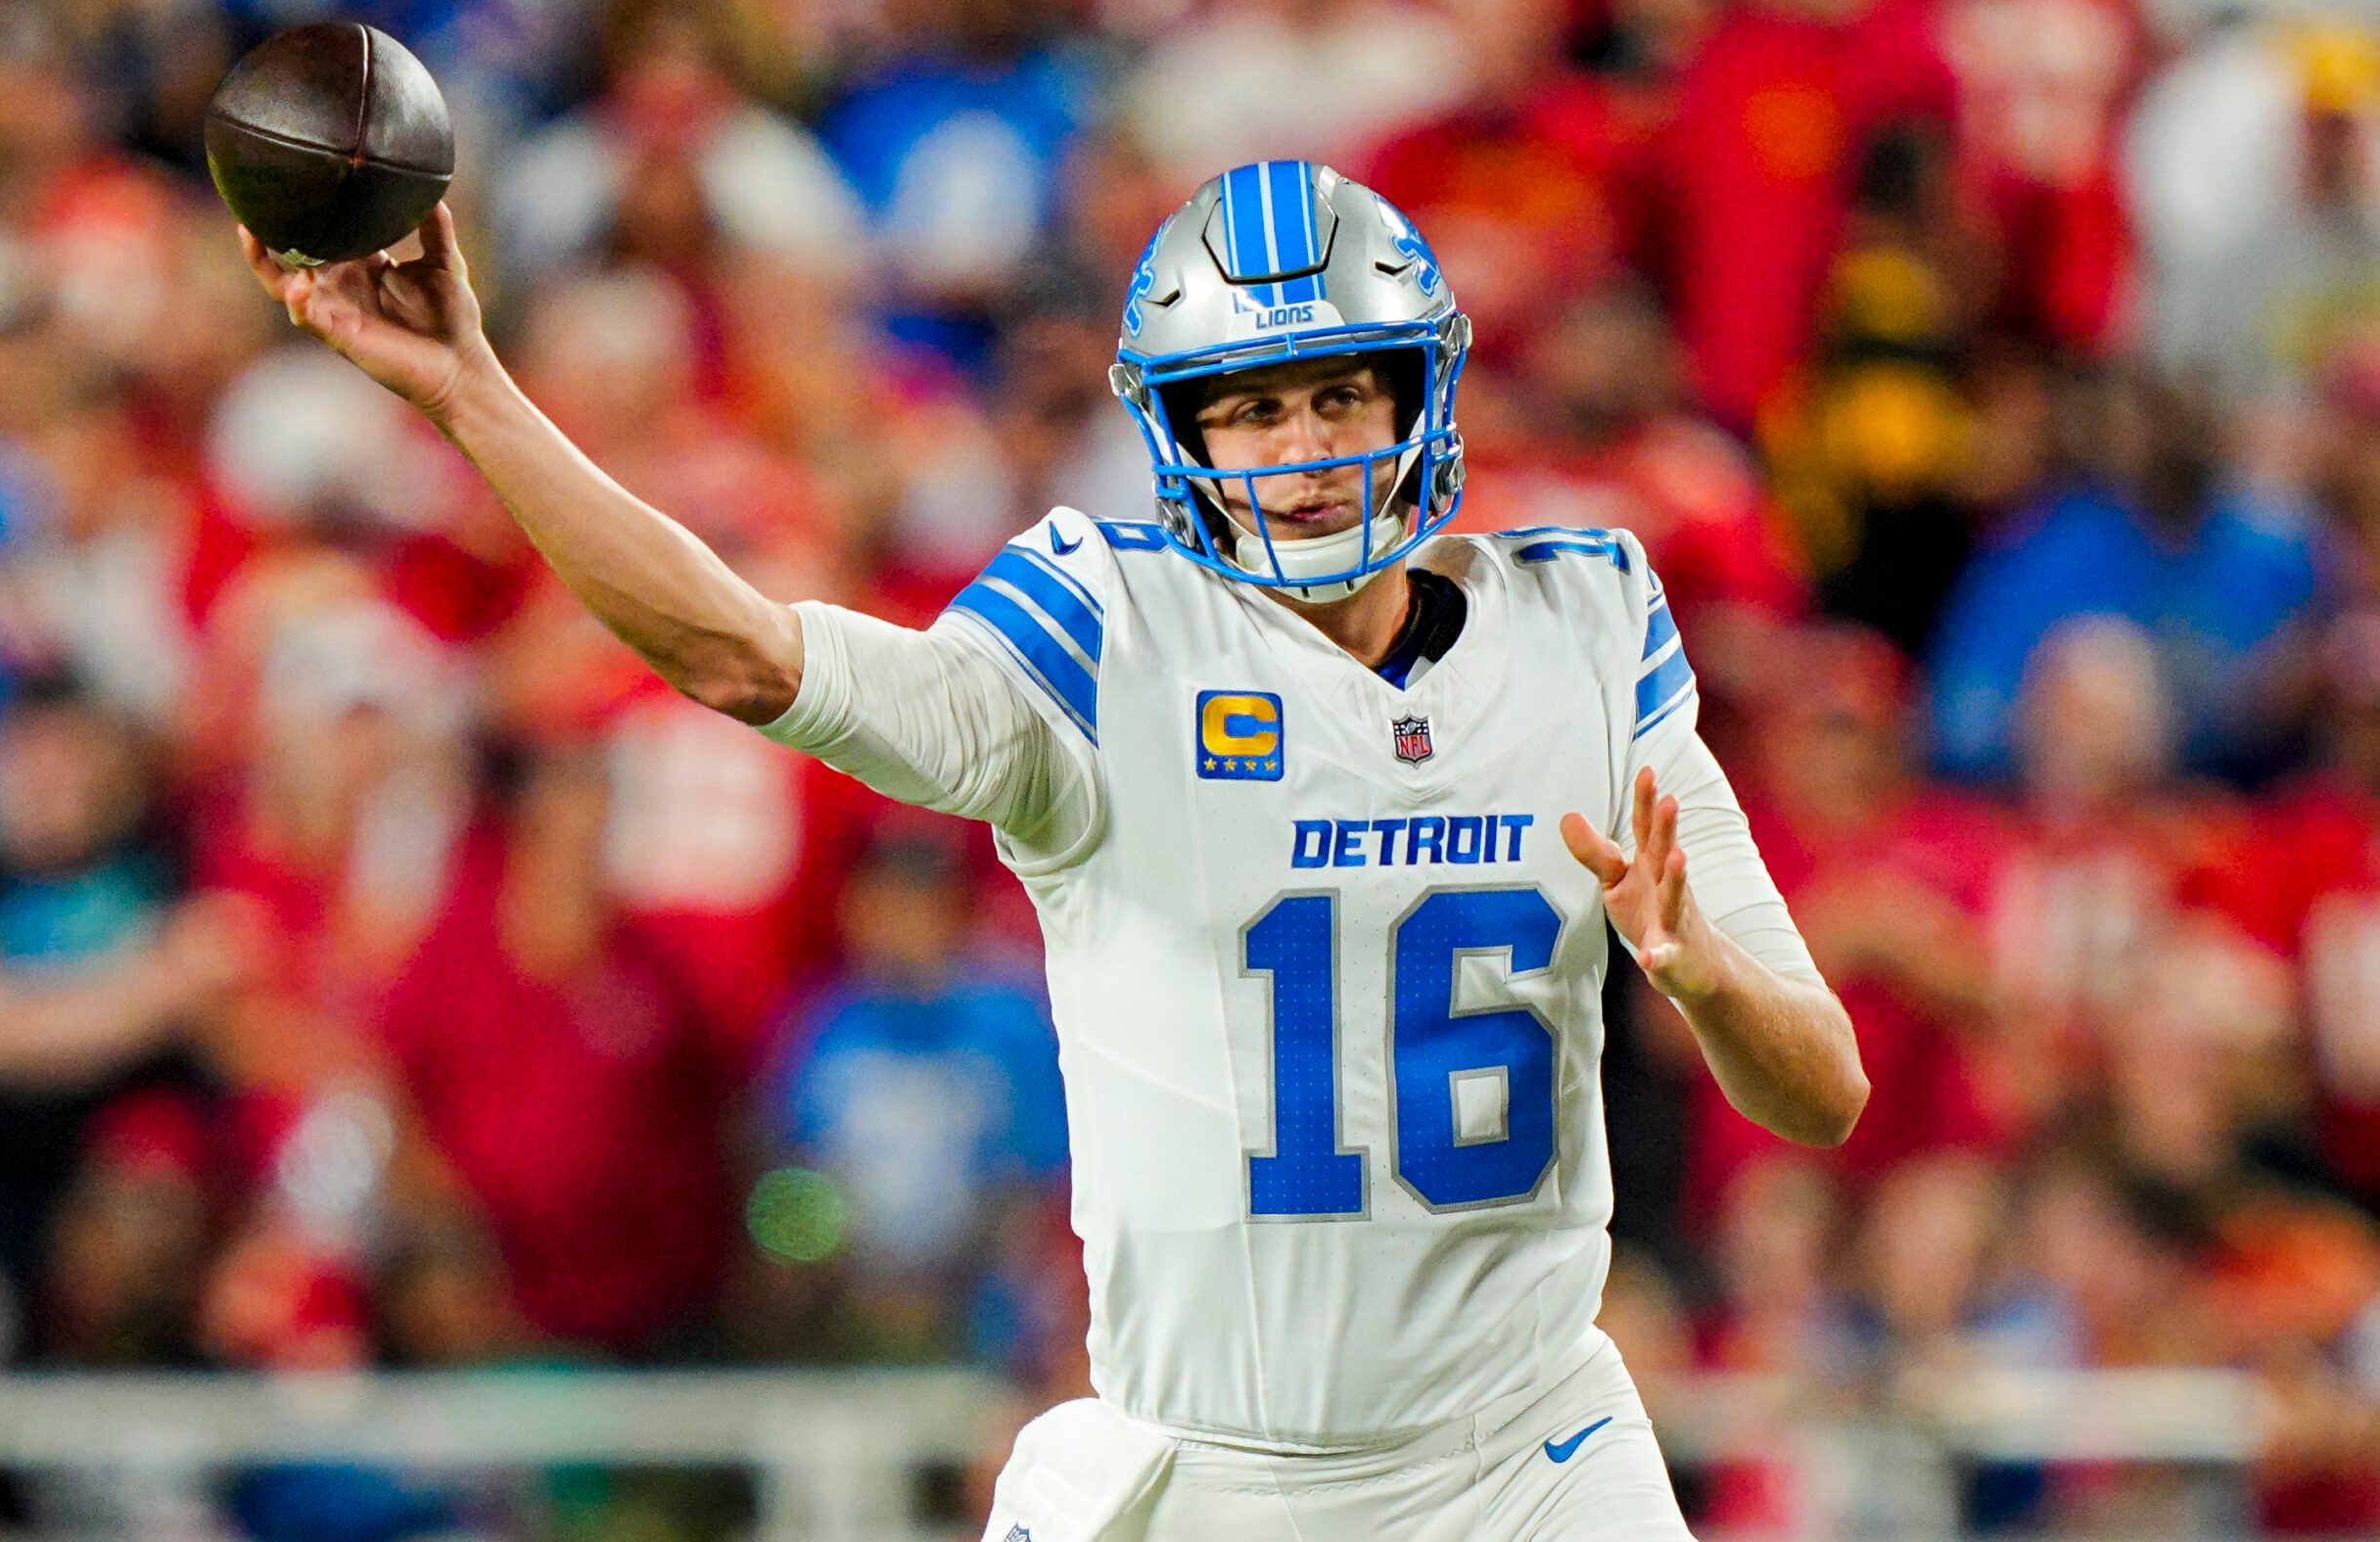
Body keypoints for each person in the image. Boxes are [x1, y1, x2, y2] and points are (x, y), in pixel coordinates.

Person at [239, 161, 1867, 1541]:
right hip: (1210, 1472)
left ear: (1419, 390)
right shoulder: (1109, 631)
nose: (1299, 451)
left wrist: (1705, 976)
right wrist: (474, 390)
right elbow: (745, 653)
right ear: (1180, 438)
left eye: (1335, 392)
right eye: (1250, 411)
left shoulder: (1579, 624)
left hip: (1527, 1462)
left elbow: (1821, 1092)